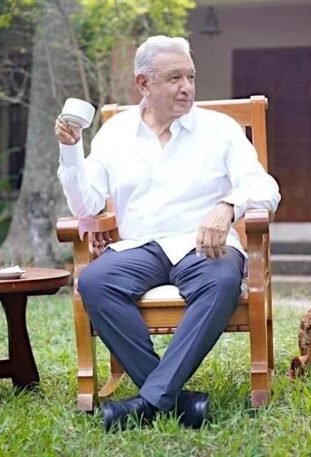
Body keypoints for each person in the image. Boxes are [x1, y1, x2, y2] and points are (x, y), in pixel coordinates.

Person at [55, 35, 280, 431]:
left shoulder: (219, 129)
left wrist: (228, 206)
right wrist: (70, 151)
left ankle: (148, 402)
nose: (187, 87)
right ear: (144, 83)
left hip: (203, 245)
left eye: (190, 77)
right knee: (94, 281)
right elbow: (86, 206)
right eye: (175, 78)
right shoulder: (115, 133)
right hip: (139, 246)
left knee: (222, 280)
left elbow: (265, 187)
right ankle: (174, 401)